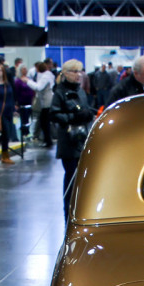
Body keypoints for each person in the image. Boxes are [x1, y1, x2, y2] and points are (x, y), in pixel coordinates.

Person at [51, 59, 96, 220]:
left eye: (80, 71)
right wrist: (74, 117)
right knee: (71, 177)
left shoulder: (80, 90)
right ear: (66, 73)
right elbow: (54, 115)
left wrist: (88, 113)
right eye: (75, 72)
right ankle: (68, 216)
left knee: (83, 180)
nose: (78, 75)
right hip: (69, 141)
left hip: (82, 138)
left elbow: (85, 110)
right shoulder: (60, 92)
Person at [26, 60, 55, 147]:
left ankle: (48, 140)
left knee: (44, 122)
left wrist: (28, 81)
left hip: (47, 102)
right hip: (46, 101)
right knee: (44, 122)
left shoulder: (45, 77)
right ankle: (47, 140)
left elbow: (38, 87)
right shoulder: (47, 75)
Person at [12, 68, 35, 144]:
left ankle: (28, 131)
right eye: (23, 69)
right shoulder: (18, 81)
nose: (25, 70)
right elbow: (16, 92)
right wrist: (16, 103)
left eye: (26, 69)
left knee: (29, 118)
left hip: (30, 101)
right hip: (22, 102)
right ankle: (25, 132)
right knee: (24, 118)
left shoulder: (29, 79)